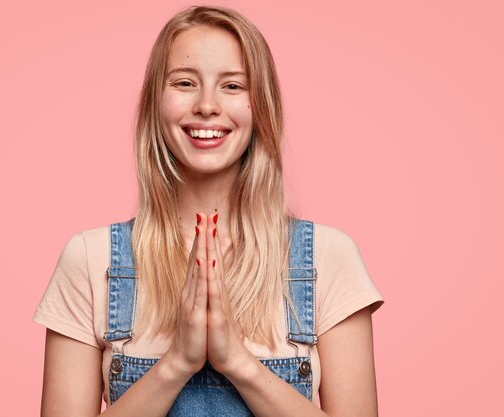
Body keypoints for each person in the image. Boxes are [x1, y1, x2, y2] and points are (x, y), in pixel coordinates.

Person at [33, 5, 384, 416]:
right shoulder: (92, 261)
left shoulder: (327, 258)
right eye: (184, 82)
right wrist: (176, 363)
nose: (206, 105)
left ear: (262, 107)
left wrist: (237, 362)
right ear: (154, 103)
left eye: (233, 86)